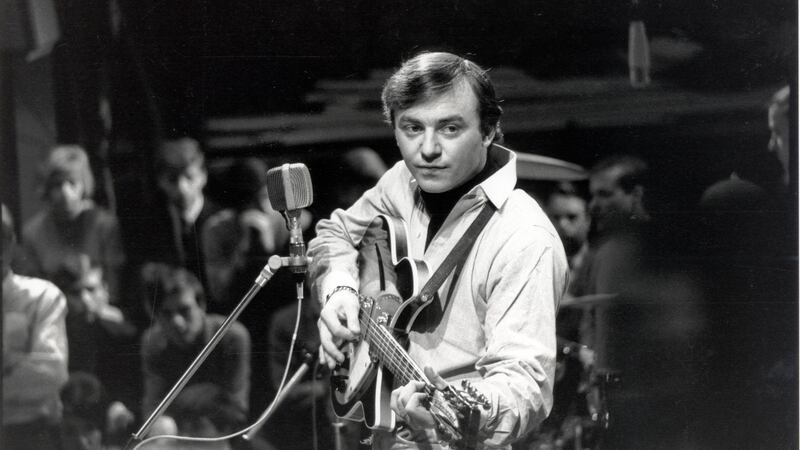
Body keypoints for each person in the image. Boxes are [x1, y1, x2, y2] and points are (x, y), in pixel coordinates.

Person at [309, 52, 568, 448]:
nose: (427, 150)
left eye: (449, 128)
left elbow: (524, 386)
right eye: (412, 128)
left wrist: (463, 414)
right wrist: (340, 291)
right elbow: (334, 233)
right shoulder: (400, 180)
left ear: (488, 130)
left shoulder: (524, 238)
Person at [139, 263, 251, 435]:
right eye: (166, 314)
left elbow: (237, 410)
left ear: (202, 305)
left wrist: (179, 403)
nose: (177, 323)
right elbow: (153, 411)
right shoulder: (153, 341)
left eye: (185, 310)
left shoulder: (232, 336)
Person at [119, 137, 221, 315]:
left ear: (203, 175)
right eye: (172, 180)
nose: (182, 188)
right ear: (160, 181)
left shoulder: (219, 218)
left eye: (189, 178)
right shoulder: (147, 223)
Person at [15, 145, 125, 302]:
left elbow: (114, 291)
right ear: (47, 188)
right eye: (58, 185)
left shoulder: (104, 225)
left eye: (72, 183)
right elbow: (33, 294)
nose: (66, 193)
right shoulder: (32, 233)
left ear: (84, 184)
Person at [2, 203, 70, 449]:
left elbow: (51, 372)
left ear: (10, 243)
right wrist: (14, 362)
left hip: (31, 435)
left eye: (3, 237)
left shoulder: (42, 296)